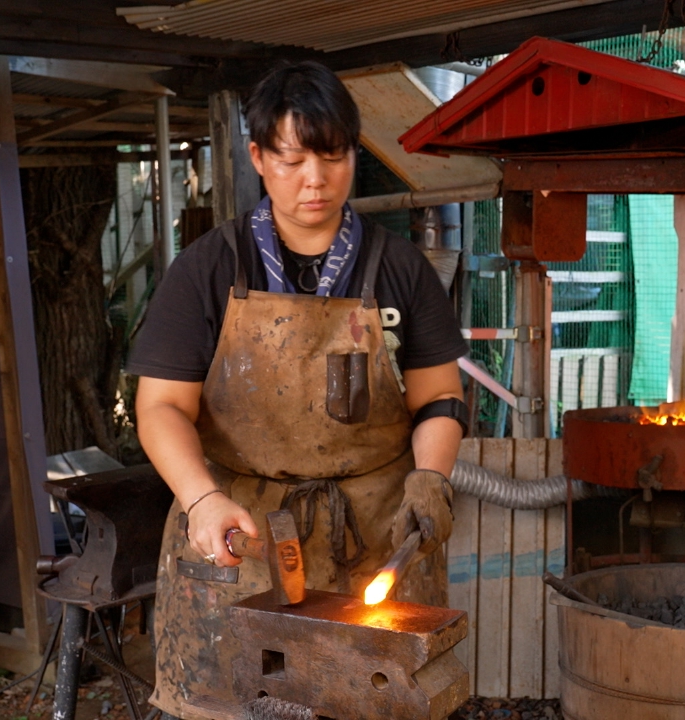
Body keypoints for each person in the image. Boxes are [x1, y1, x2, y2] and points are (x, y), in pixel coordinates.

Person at [126, 61, 470, 718]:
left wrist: (432, 477)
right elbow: (161, 407)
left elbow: (439, 399)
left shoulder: (399, 268)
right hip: (240, 532)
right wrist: (201, 501)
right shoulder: (209, 268)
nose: (314, 179)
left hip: (373, 535)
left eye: (332, 156)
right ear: (258, 157)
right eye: (291, 159)